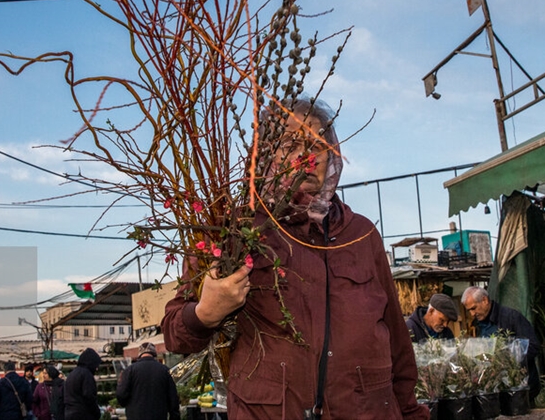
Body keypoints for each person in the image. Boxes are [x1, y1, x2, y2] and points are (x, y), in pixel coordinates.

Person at [162, 97, 429, 420]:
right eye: (290, 144)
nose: (307, 156)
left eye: (318, 145)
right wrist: (205, 312)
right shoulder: (234, 230)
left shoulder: (361, 234)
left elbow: (397, 344)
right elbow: (175, 334)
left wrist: (412, 413)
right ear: (264, 156)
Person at [462, 286, 541, 399]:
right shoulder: (477, 325)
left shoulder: (511, 317)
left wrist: (503, 358)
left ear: (484, 300)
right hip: (495, 391)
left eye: (473, 308)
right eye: (469, 310)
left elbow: (533, 346)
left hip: (519, 389)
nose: (472, 314)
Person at [115, 343, 179, 420]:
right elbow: (173, 398)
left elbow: (121, 394)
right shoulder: (165, 370)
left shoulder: (130, 370)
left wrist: (129, 405)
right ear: (154, 353)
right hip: (158, 416)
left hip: (135, 416)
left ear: (140, 354)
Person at [63, 349, 100, 420]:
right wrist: (96, 412)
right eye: (96, 365)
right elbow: (89, 396)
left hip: (69, 413)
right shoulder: (86, 374)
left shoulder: (72, 374)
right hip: (83, 414)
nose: (97, 368)